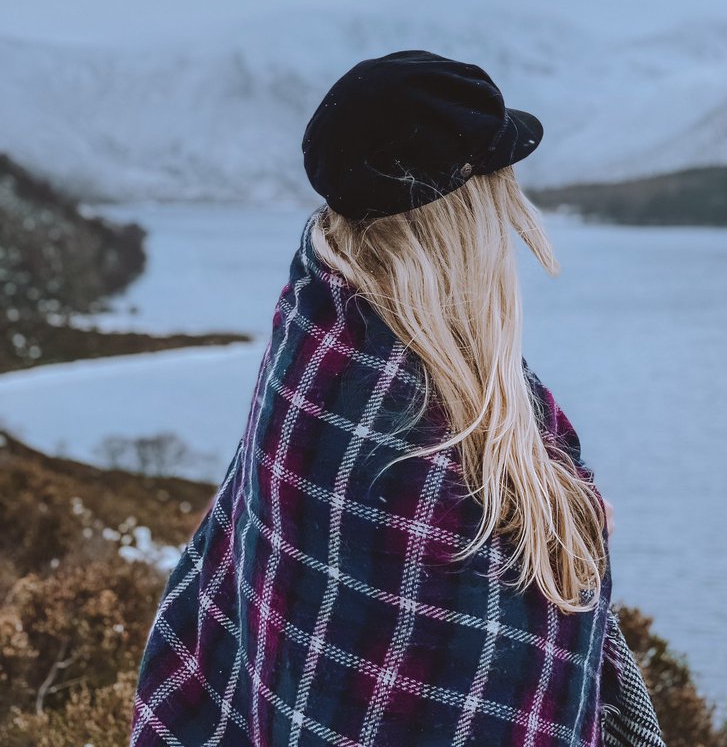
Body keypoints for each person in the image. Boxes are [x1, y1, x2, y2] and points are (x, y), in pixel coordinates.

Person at [131, 49, 666, 746]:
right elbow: (483, 666)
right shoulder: (419, 454)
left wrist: (567, 507)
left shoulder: (321, 327)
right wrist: (571, 524)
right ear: (462, 217)